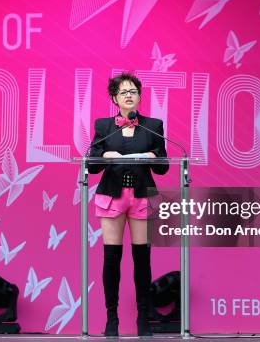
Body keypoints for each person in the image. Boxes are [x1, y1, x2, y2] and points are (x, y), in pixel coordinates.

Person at [88, 72, 169, 337]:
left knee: (142, 259)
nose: (129, 95)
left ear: (140, 96)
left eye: (133, 91)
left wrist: (152, 155)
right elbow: (92, 163)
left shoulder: (153, 125)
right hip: (112, 195)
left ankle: (143, 319)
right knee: (112, 258)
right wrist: (104, 155)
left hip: (141, 196)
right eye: (123, 92)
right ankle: (112, 320)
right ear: (115, 98)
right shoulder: (103, 126)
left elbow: (164, 166)